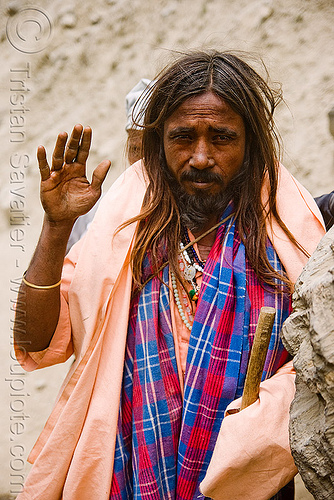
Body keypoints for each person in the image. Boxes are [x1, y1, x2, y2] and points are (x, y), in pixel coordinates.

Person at [14, 51, 325, 500]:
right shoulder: (121, 230)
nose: (200, 157)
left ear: (250, 143)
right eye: (183, 137)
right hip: (129, 479)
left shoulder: (288, 229)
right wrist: (56, 228)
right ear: (159, 142)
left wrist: (263, 422)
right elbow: (38, 341)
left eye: (221, 137)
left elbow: (318, 358)